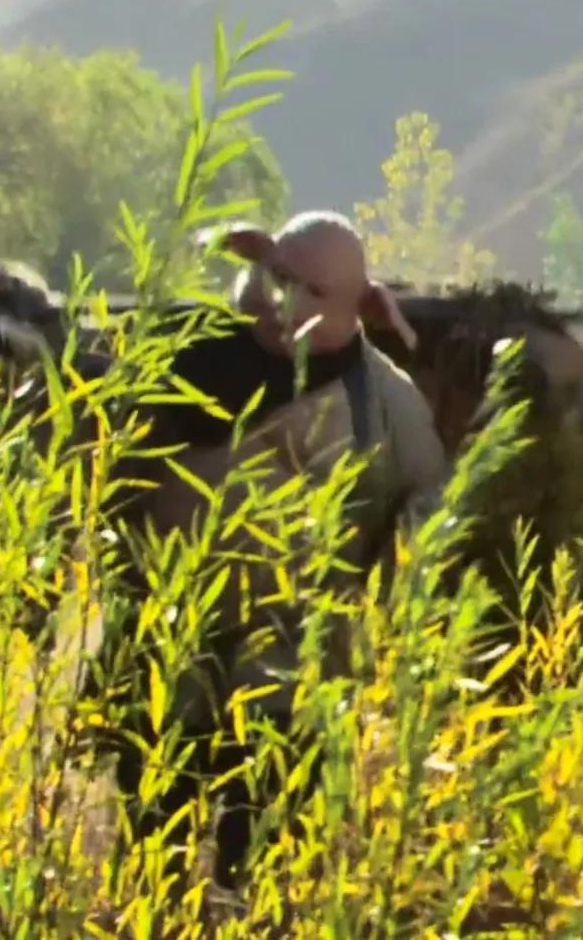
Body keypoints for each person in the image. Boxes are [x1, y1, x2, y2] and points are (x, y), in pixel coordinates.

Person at [93, 210, 450, 902]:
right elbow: (114, 475)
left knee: (258, 848)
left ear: (357, 306)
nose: (288, 302)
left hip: (289, 658)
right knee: (152, 838)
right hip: (173, 641)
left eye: (314, 291)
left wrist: (392, 602)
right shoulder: (189, 357)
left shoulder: (384, 407)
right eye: (280, 278)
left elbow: (430, 515)